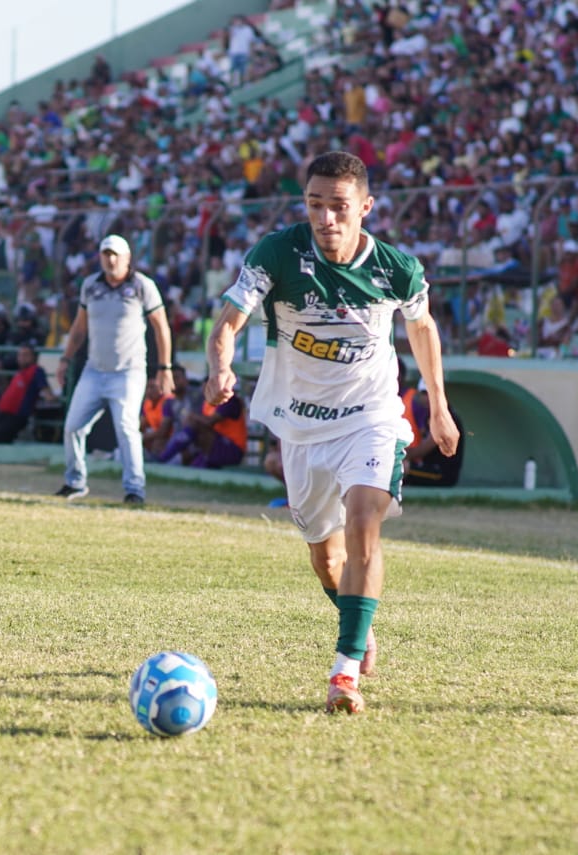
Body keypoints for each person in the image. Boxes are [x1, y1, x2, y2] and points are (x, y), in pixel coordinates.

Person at [204, 152, 458, 714]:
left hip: (371, 416)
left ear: (365, 208)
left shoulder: (397, 269)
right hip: (301, 424)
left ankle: (345, 673)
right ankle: (355, 619)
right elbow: (229, 319)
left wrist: (438, 407)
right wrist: (220, 366)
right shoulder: (277, 252)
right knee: (326, 560)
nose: (327, 219)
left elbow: (422, 328)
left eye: (339, 207)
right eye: (316, 205)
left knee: (365, 517)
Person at [54, 234, 174, 505]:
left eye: (115, 255)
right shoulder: (90, 286)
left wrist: (164, 367)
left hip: (129, 371)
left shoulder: (143, 286)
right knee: (73, 426)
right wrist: (65, 359)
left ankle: (135, 489)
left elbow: (161, 327)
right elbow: (78, 329)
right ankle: (75, 481)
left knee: (126, 427)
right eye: (106, 254)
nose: (110, 260)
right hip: (94, 370)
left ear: (127, 258)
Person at [0, 344, 56, 444]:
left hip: (16, 415)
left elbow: (46, 391)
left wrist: (50, 397)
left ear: (34, 357)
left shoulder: (37, 371)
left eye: (25, 355)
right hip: (2, 413)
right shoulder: (20, 372)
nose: (22, 358)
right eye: (20, 355)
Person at [403, 380, 466, 487]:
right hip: (429, 468)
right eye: (425, 393)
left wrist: (395, 455)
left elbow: (421, 451)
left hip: (441, 474)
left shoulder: (444, 418)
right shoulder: (430, 415)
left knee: (401, 466)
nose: (428, 397)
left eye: (432, 393)